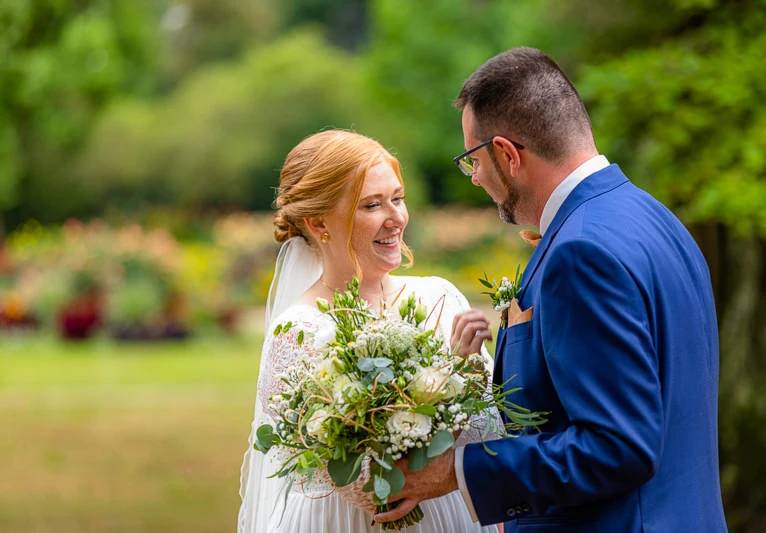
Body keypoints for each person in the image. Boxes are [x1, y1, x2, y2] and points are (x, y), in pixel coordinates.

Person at [375, 47, 728, 532]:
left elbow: (616, 446)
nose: (475, 177)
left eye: (472, 160)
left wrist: (458, 471)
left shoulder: (580, 252)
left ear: (507, 153)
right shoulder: (656, 219)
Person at [237, 129, 500, 533]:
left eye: (398, 198)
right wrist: (454, 374)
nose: (396, 218)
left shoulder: (440, 298)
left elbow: (491, 436)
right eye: (372, 205)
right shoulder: (299, 330)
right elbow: (360, 484)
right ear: (318, 222)